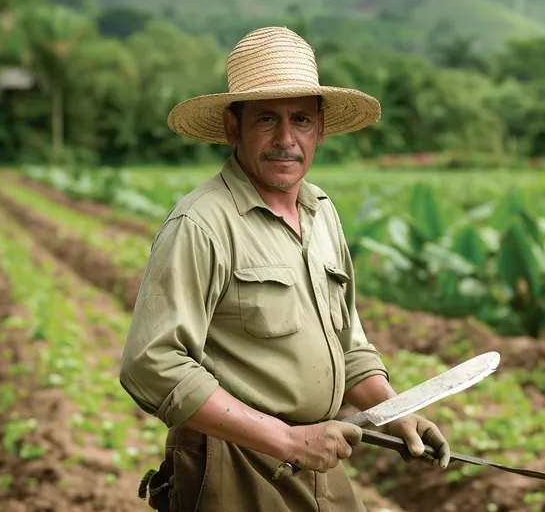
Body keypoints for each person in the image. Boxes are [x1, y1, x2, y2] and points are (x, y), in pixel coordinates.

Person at [119, 26, 450, 512]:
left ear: (320, 130)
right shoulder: (202, 223)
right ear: (234, 128)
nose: (285, 139)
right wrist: (287, 440)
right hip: (232, 463)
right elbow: (151, 365)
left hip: (317, 458)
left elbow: (348, 344)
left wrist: (392, 412)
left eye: (299, 119)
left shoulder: (321, 212)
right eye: (266, 119)